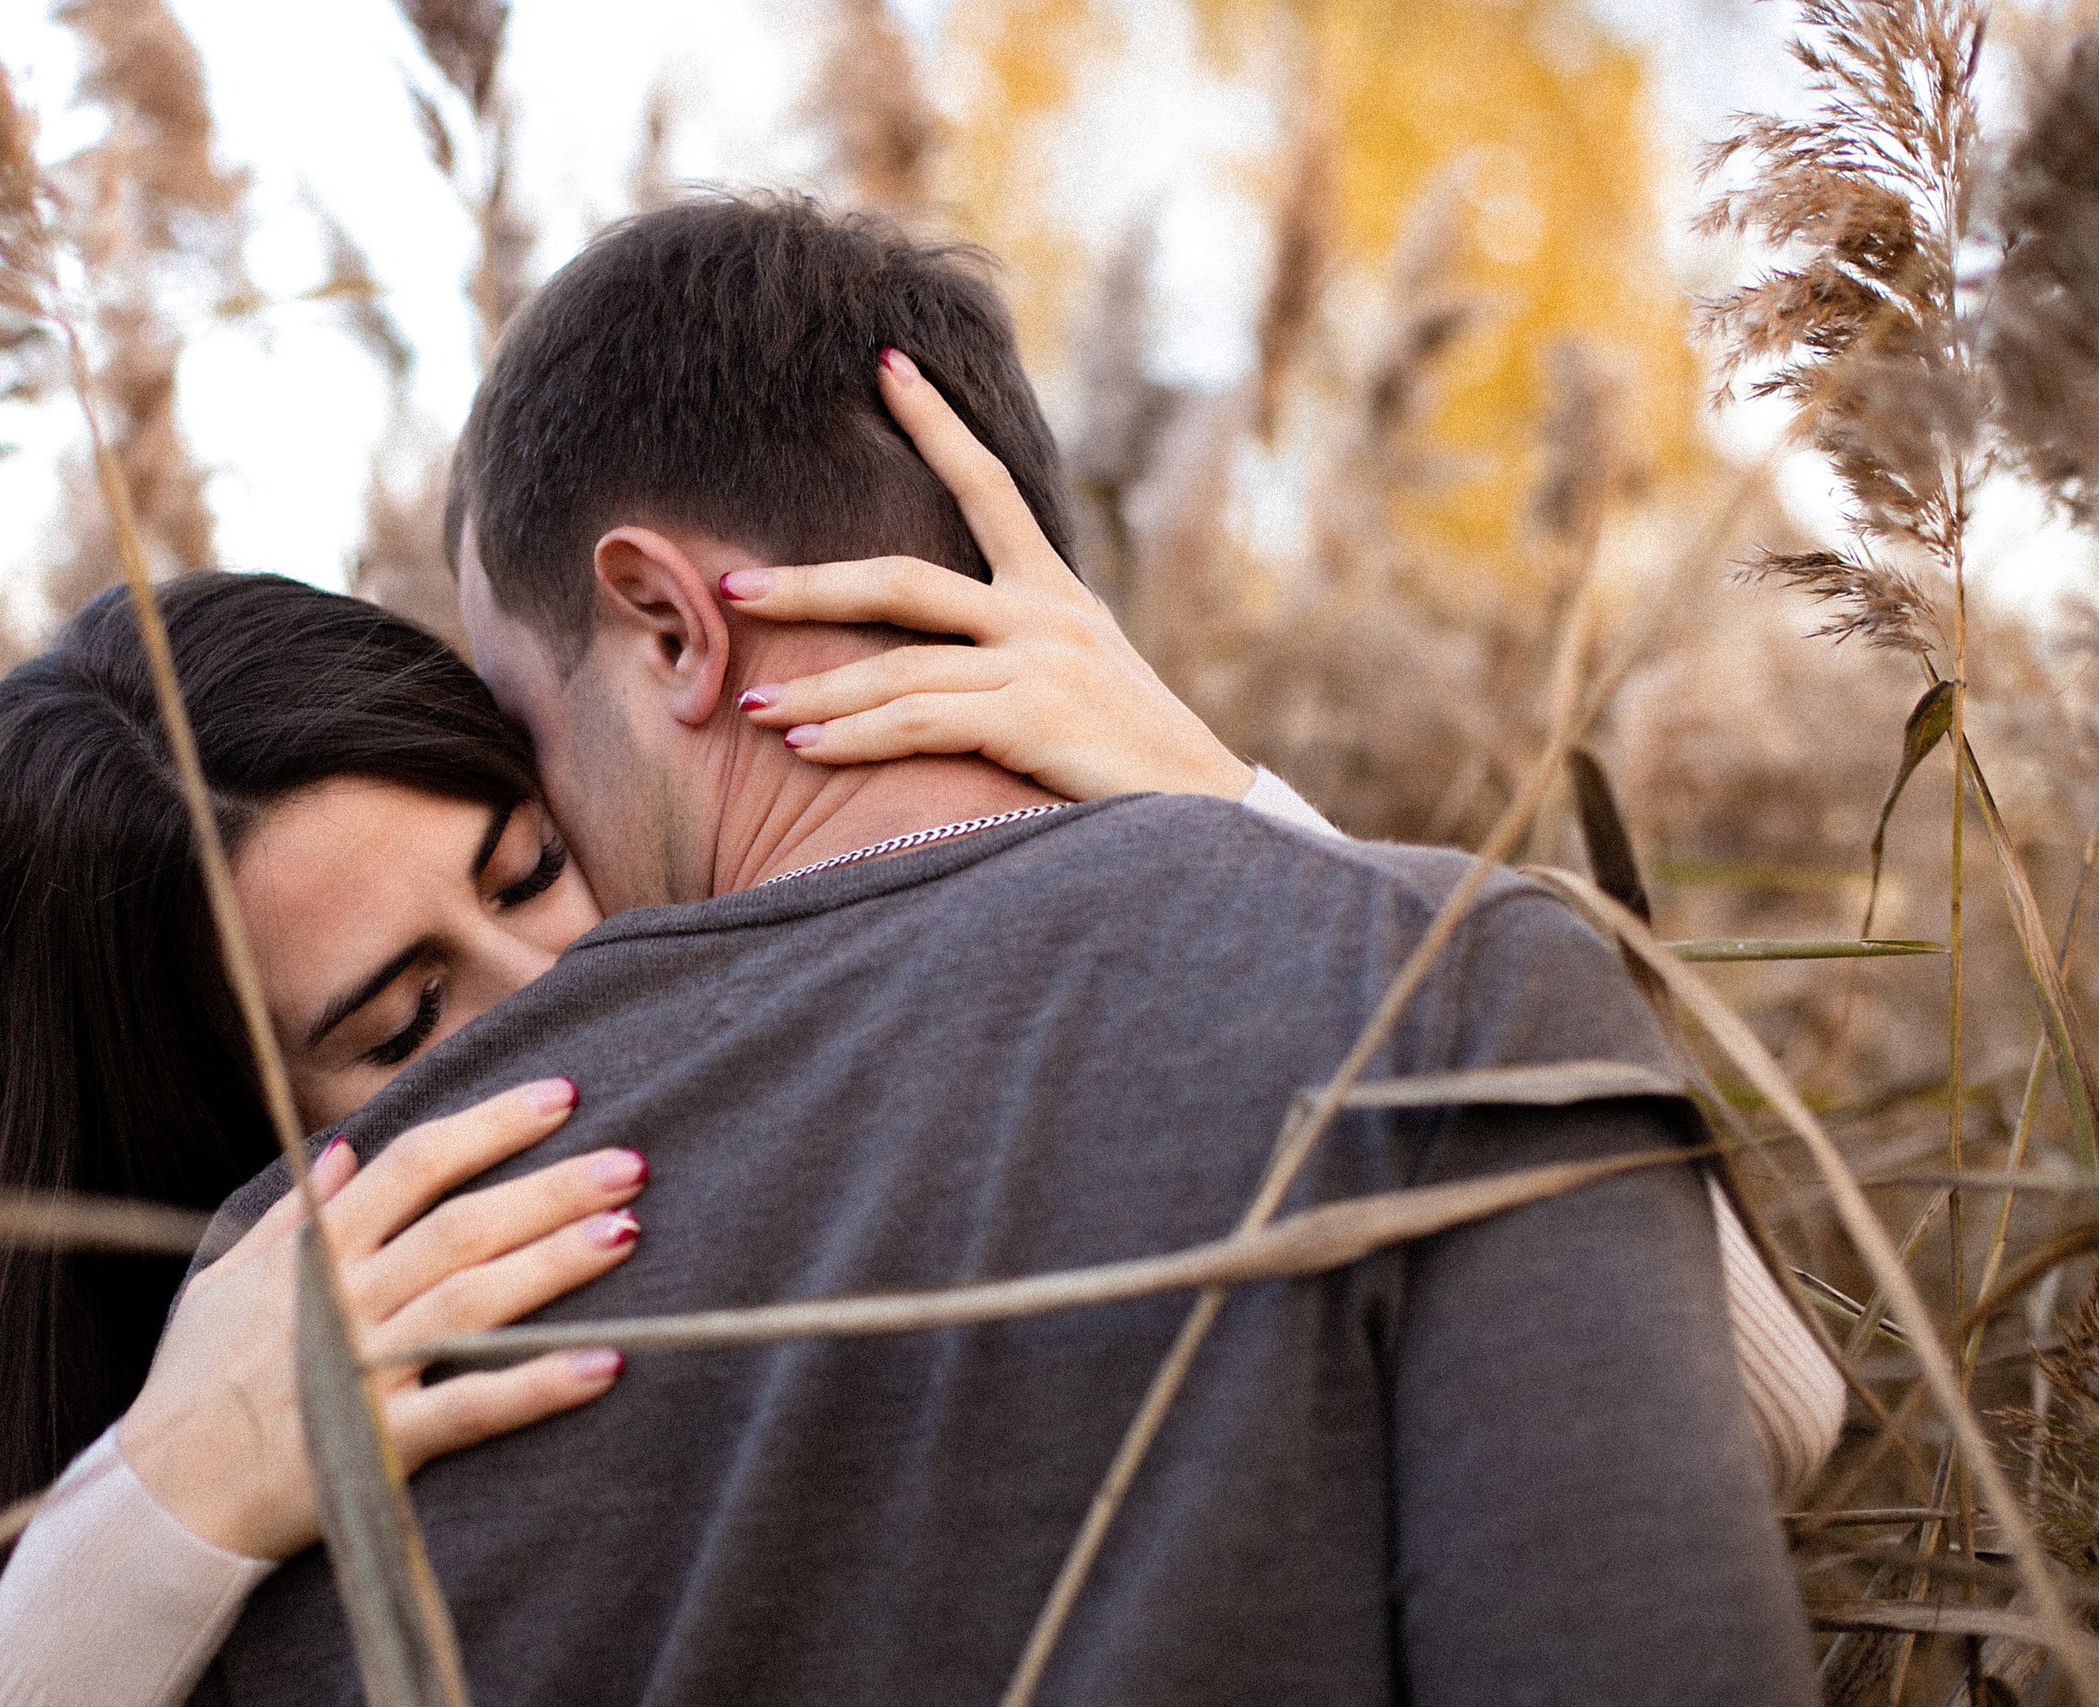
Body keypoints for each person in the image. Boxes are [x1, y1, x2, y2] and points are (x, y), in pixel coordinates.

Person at [182, 194, 1824, 1705]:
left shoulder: (315, 1290)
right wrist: (1241, 803)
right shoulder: (1435, 981)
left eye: (518, 708)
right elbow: (1724, 1515)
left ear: (668, 622)